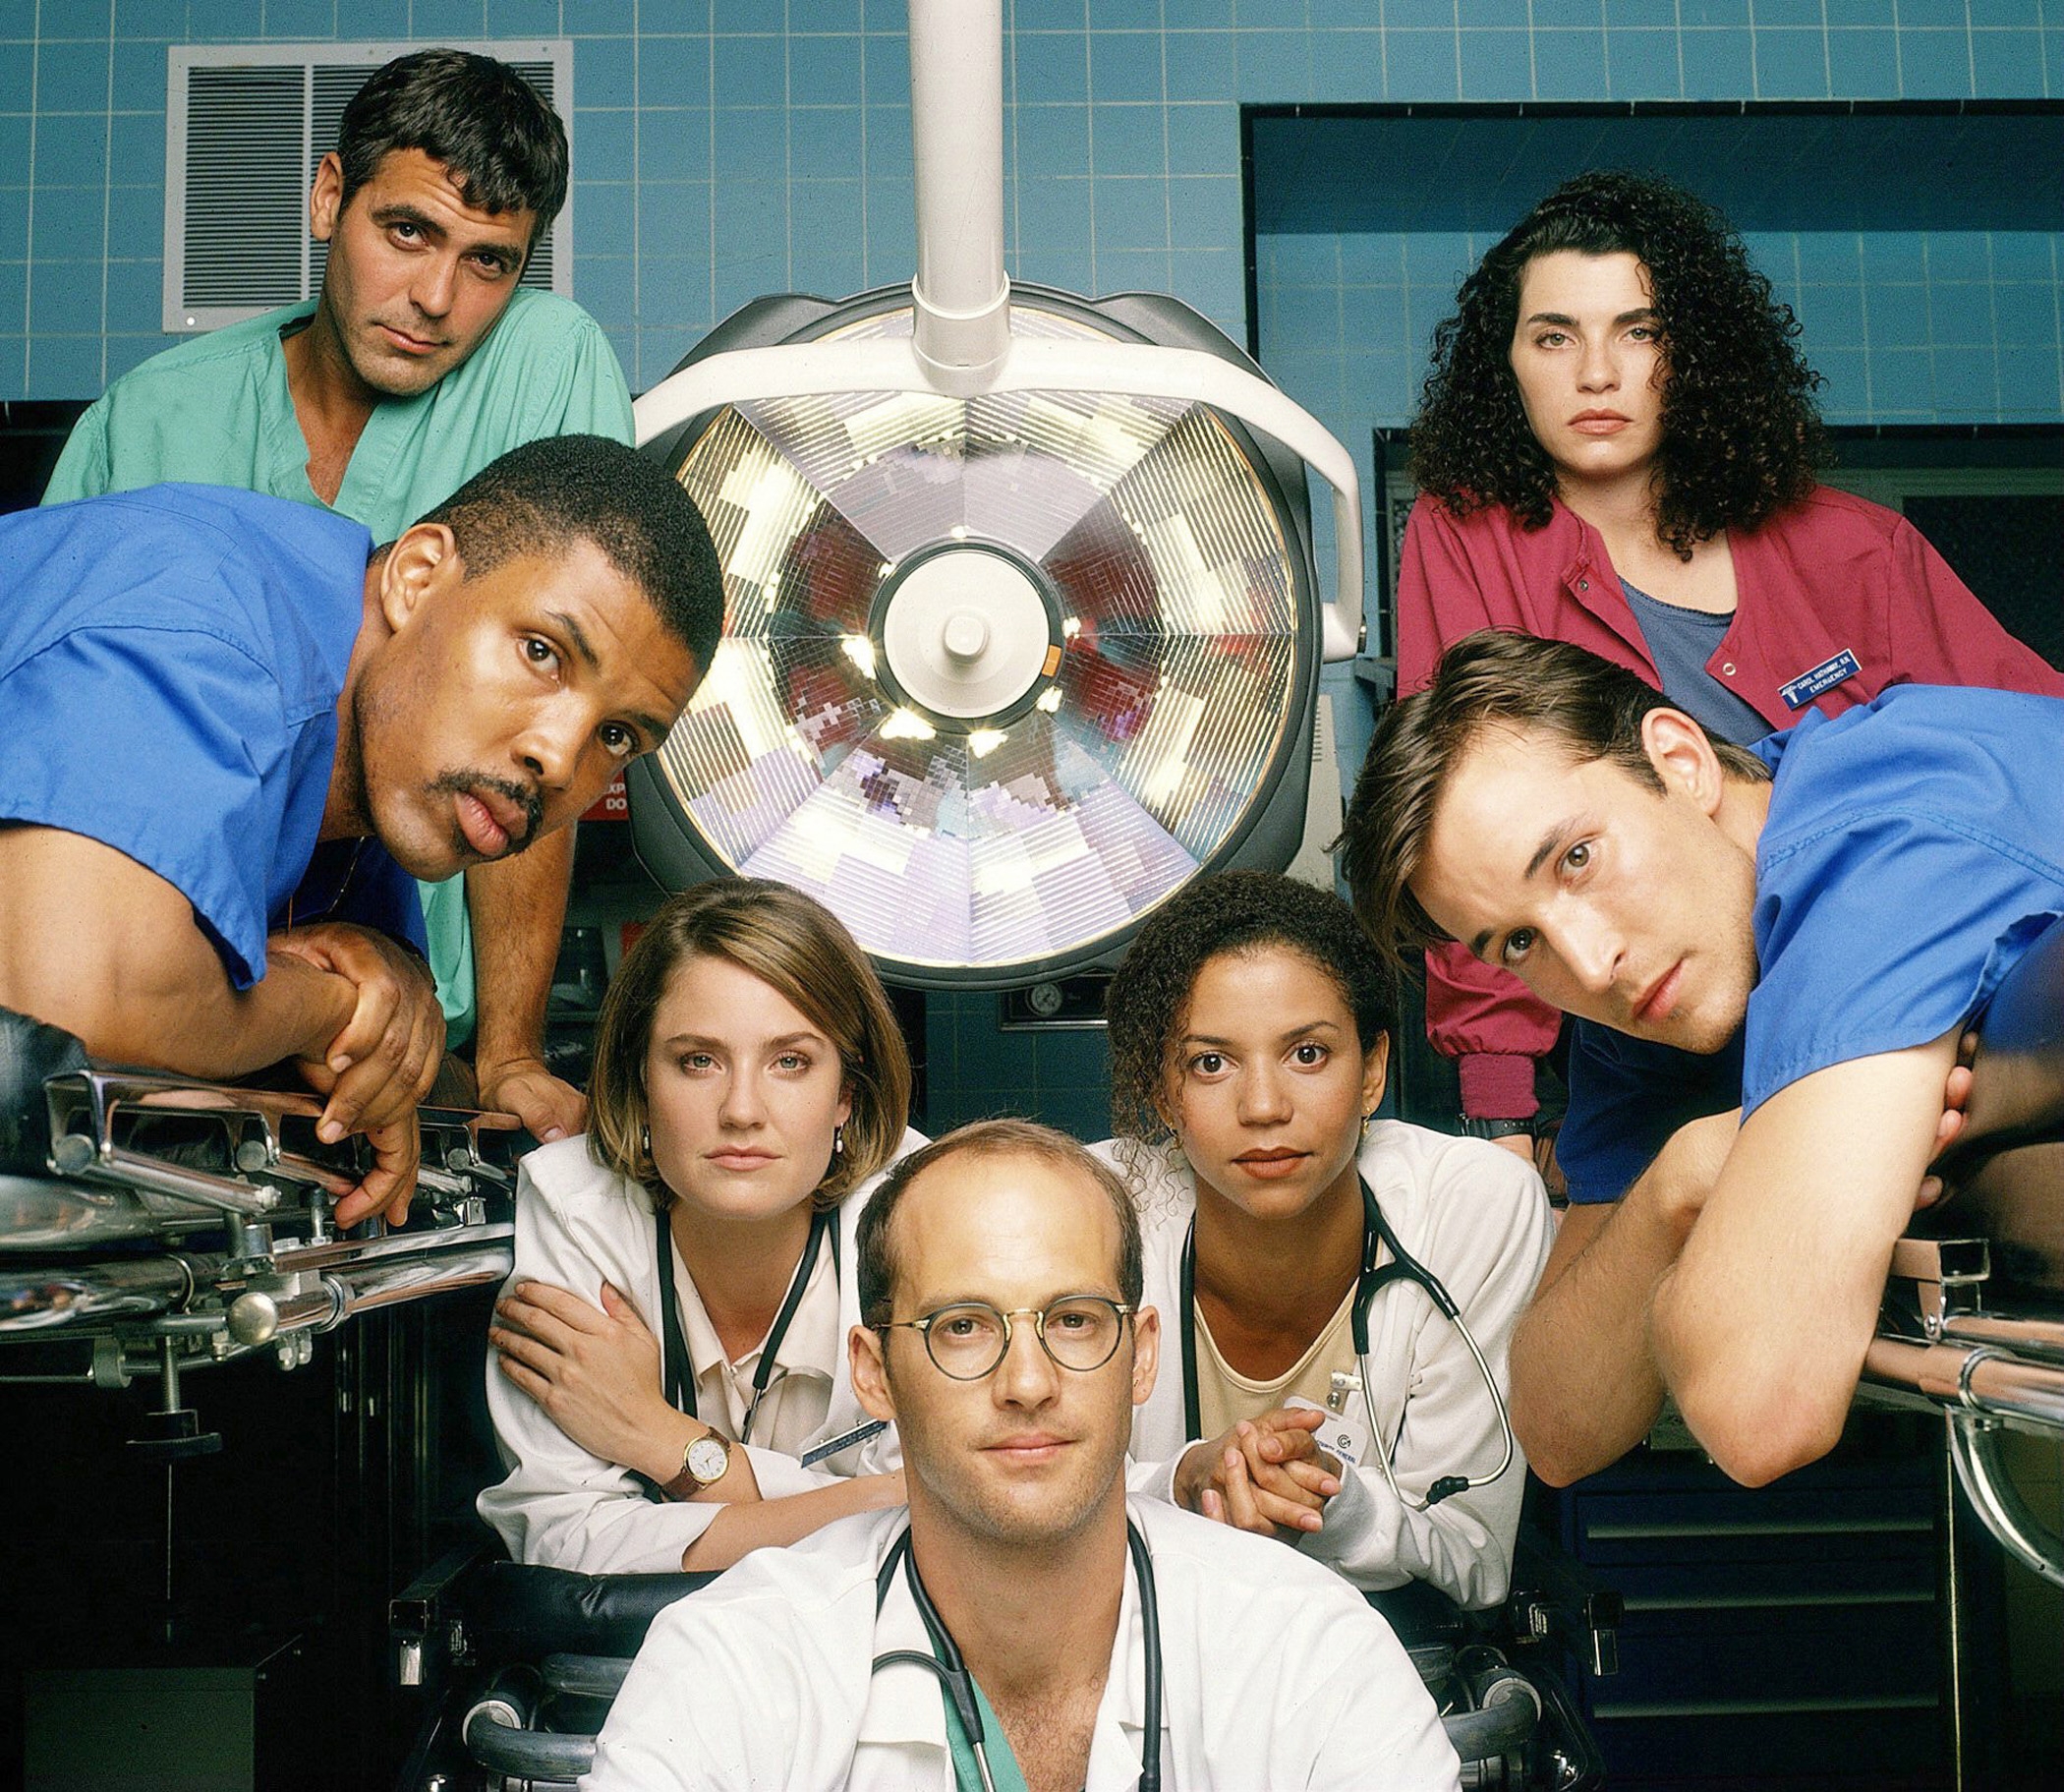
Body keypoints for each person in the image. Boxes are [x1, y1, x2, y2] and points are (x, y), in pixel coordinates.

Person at [1397, 169, 2062, 1194]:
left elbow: (2033, 744)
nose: (1597, 374)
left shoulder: (1856, 546)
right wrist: (1502, 1108)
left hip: (1911, 1027)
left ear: (1693, 352)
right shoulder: (1469, 533)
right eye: (1554, 336)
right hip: (1652, 1069)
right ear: (1507, 365)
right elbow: (1471, 839)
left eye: (1639, 330)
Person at [43, 48, 637, 1146]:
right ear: (329, 197)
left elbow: (547, 721)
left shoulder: (547, 361)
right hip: (165, 990)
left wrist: (505, 1050)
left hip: (400, 1018)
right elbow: (49, 724)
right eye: (406, 231)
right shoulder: (151, 416)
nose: (436, 299)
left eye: (490, 263)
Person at [1343, 629, 2064, 1488]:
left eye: (1576, 858)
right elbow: (1555, 1425)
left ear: (1681, 761)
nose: (1587, 961)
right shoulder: (1651, 991)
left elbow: (1756, 1407)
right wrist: (1687, 1175)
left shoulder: (1886, 838)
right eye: (1520, 941)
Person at [584, 1121, 1462, 1792]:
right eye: (962, 1326)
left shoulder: (1306, 1652)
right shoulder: (738, 1661)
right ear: (874, 1371)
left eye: (1074, 1319)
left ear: (1142, 1352)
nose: (1028, 1381)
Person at [0, 435, 721, 1227]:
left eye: (617, 736)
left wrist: (391, 988)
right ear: (417, 578)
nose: (557, 760)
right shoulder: (202, 612)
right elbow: (65, 1005)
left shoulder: (376, 776)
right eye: (542, 652)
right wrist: (327, 1002)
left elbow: (402, 1066)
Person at [1100, 871, 1549, 1611]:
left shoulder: (1471, 1205)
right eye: (1211, 1063)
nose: (1265, 1106)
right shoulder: (1091, 1209)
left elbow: (1473, 1558)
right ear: (1162, 1092)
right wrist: (1184, 1479)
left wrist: (1334, 1503)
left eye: (1307, 1054)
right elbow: (1027, 1501)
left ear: (1373, 1070)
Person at [481, 879, 921, 1574]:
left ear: (846, 1093)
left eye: (790, 1061)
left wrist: (661, 1440)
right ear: (641, 1080)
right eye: (698, 1061)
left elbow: (946, 1516)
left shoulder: (921, 1207)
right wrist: (858, 1501)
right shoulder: (575, 1205)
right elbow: (559, 1536)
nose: (741, 1109)